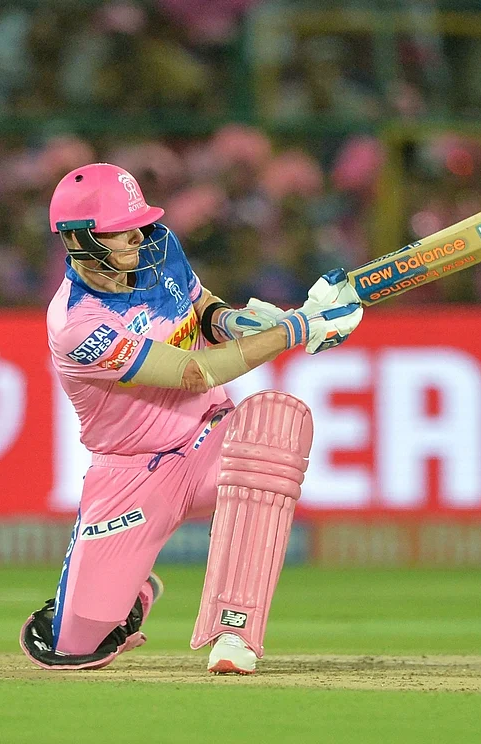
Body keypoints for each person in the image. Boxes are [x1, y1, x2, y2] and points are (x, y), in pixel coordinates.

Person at [19, 163, 362, 673]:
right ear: (78, 239)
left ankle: (235, 631)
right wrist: (296, 329)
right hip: (130, 472)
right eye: (121, 229)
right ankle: (129, 594)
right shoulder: (78, 323)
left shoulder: (160, 250)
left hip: (209, 438)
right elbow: (193, 372)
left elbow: (199, 307)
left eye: (138, 222)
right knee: (74, 645)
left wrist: (233, 320)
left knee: (272, 423)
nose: (138, 235)